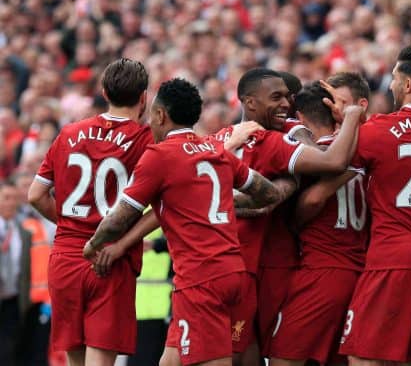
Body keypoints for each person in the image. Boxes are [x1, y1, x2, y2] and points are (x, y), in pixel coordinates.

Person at [83, 77, 283, 366]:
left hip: (201, 280)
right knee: (170, 361)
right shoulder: (214, 151)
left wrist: (92, 246)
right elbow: (269, 193)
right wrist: (222, 207)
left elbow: (120, 218)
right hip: (232, 271)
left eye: (152, 113)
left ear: (161, 115)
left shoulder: (160, 156)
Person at [304, 44, 411, 365]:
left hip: (391, 259)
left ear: (407, 85)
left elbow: (333, 160)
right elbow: (401, 141)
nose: (390, 85)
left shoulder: (378, 130)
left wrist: (349, 119)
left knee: (362, 356)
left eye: (394, 78)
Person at [214, 68, 364, 365]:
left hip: (260, 266)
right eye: (277, 97)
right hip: (268, 267)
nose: (285, 104)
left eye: (288, 98)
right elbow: (329, 167)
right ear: (250, 102)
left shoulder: (221, 139)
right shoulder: (281, 140)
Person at [27, 58, 153, 366]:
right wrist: (114, 238)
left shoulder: (70, 133)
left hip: (67, 258)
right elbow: (166, 208)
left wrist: (72, 224)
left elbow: (35, 195)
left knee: (74, 361)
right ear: (143, 98)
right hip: (110, 259)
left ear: (104, 93)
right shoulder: (146, 140)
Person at [268, 83, 368, 366]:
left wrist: (294, 222)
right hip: (359, 269)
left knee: (282, 357)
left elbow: (312, 202)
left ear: (300, 118)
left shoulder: (314, 156)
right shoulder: (359, 153)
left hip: (322, 269)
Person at [0, 182, 32, 366]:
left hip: (14, 300)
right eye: (6, 198)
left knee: (9, 350)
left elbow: (26, 270)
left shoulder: (23, 232)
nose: (11, 203)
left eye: (15, 199)